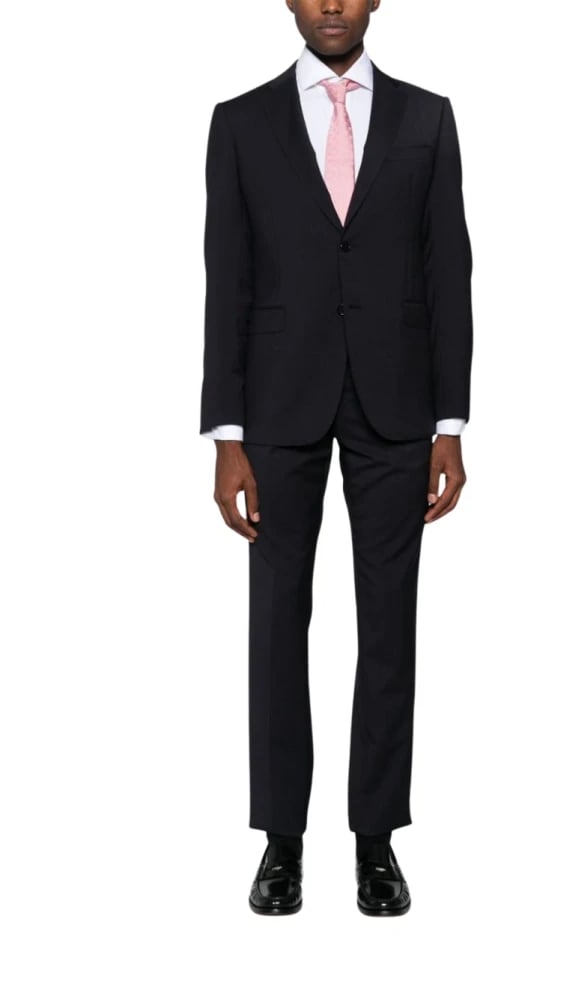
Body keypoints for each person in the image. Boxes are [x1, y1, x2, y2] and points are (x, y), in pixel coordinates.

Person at [200, 0, 473, 916]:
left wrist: (450, 423)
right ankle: (281, 840)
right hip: (277, 408)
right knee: (277, 623)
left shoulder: (428, 118)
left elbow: (448, 271)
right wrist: (226, 436)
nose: (331, 4)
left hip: (398, 407)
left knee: (389, 626)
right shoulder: (240, 123)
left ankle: (376, 840)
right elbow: (227, 277)